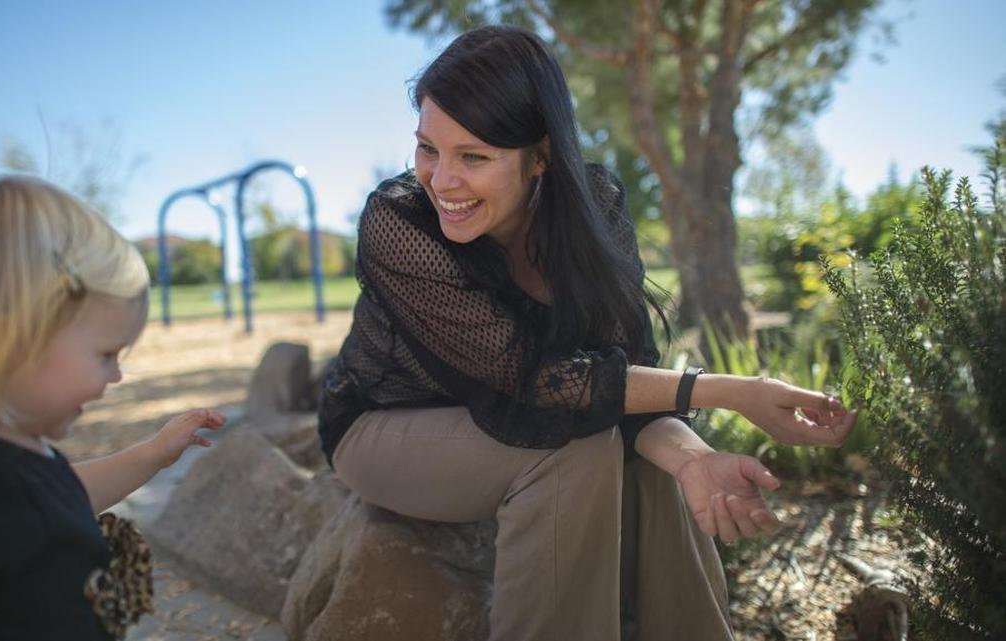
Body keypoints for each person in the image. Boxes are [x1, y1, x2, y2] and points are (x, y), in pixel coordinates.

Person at [318, 25, 857, 641]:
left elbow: (620, 374)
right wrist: (734, 392)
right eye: (427, 149)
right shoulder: (400, 220)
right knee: (571, 448)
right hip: (383, 423)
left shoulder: (594, 207)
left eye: (474, 157)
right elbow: (536, 381)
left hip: (527, 413)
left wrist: (695, 461)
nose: (441, 180)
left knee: (658, 462)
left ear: (540, 156)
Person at [0, 176, 226, 641]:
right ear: (10, 335)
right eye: (106, 354)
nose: (116, 375)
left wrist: (151, 454)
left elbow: (56, 497)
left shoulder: (0, 460)